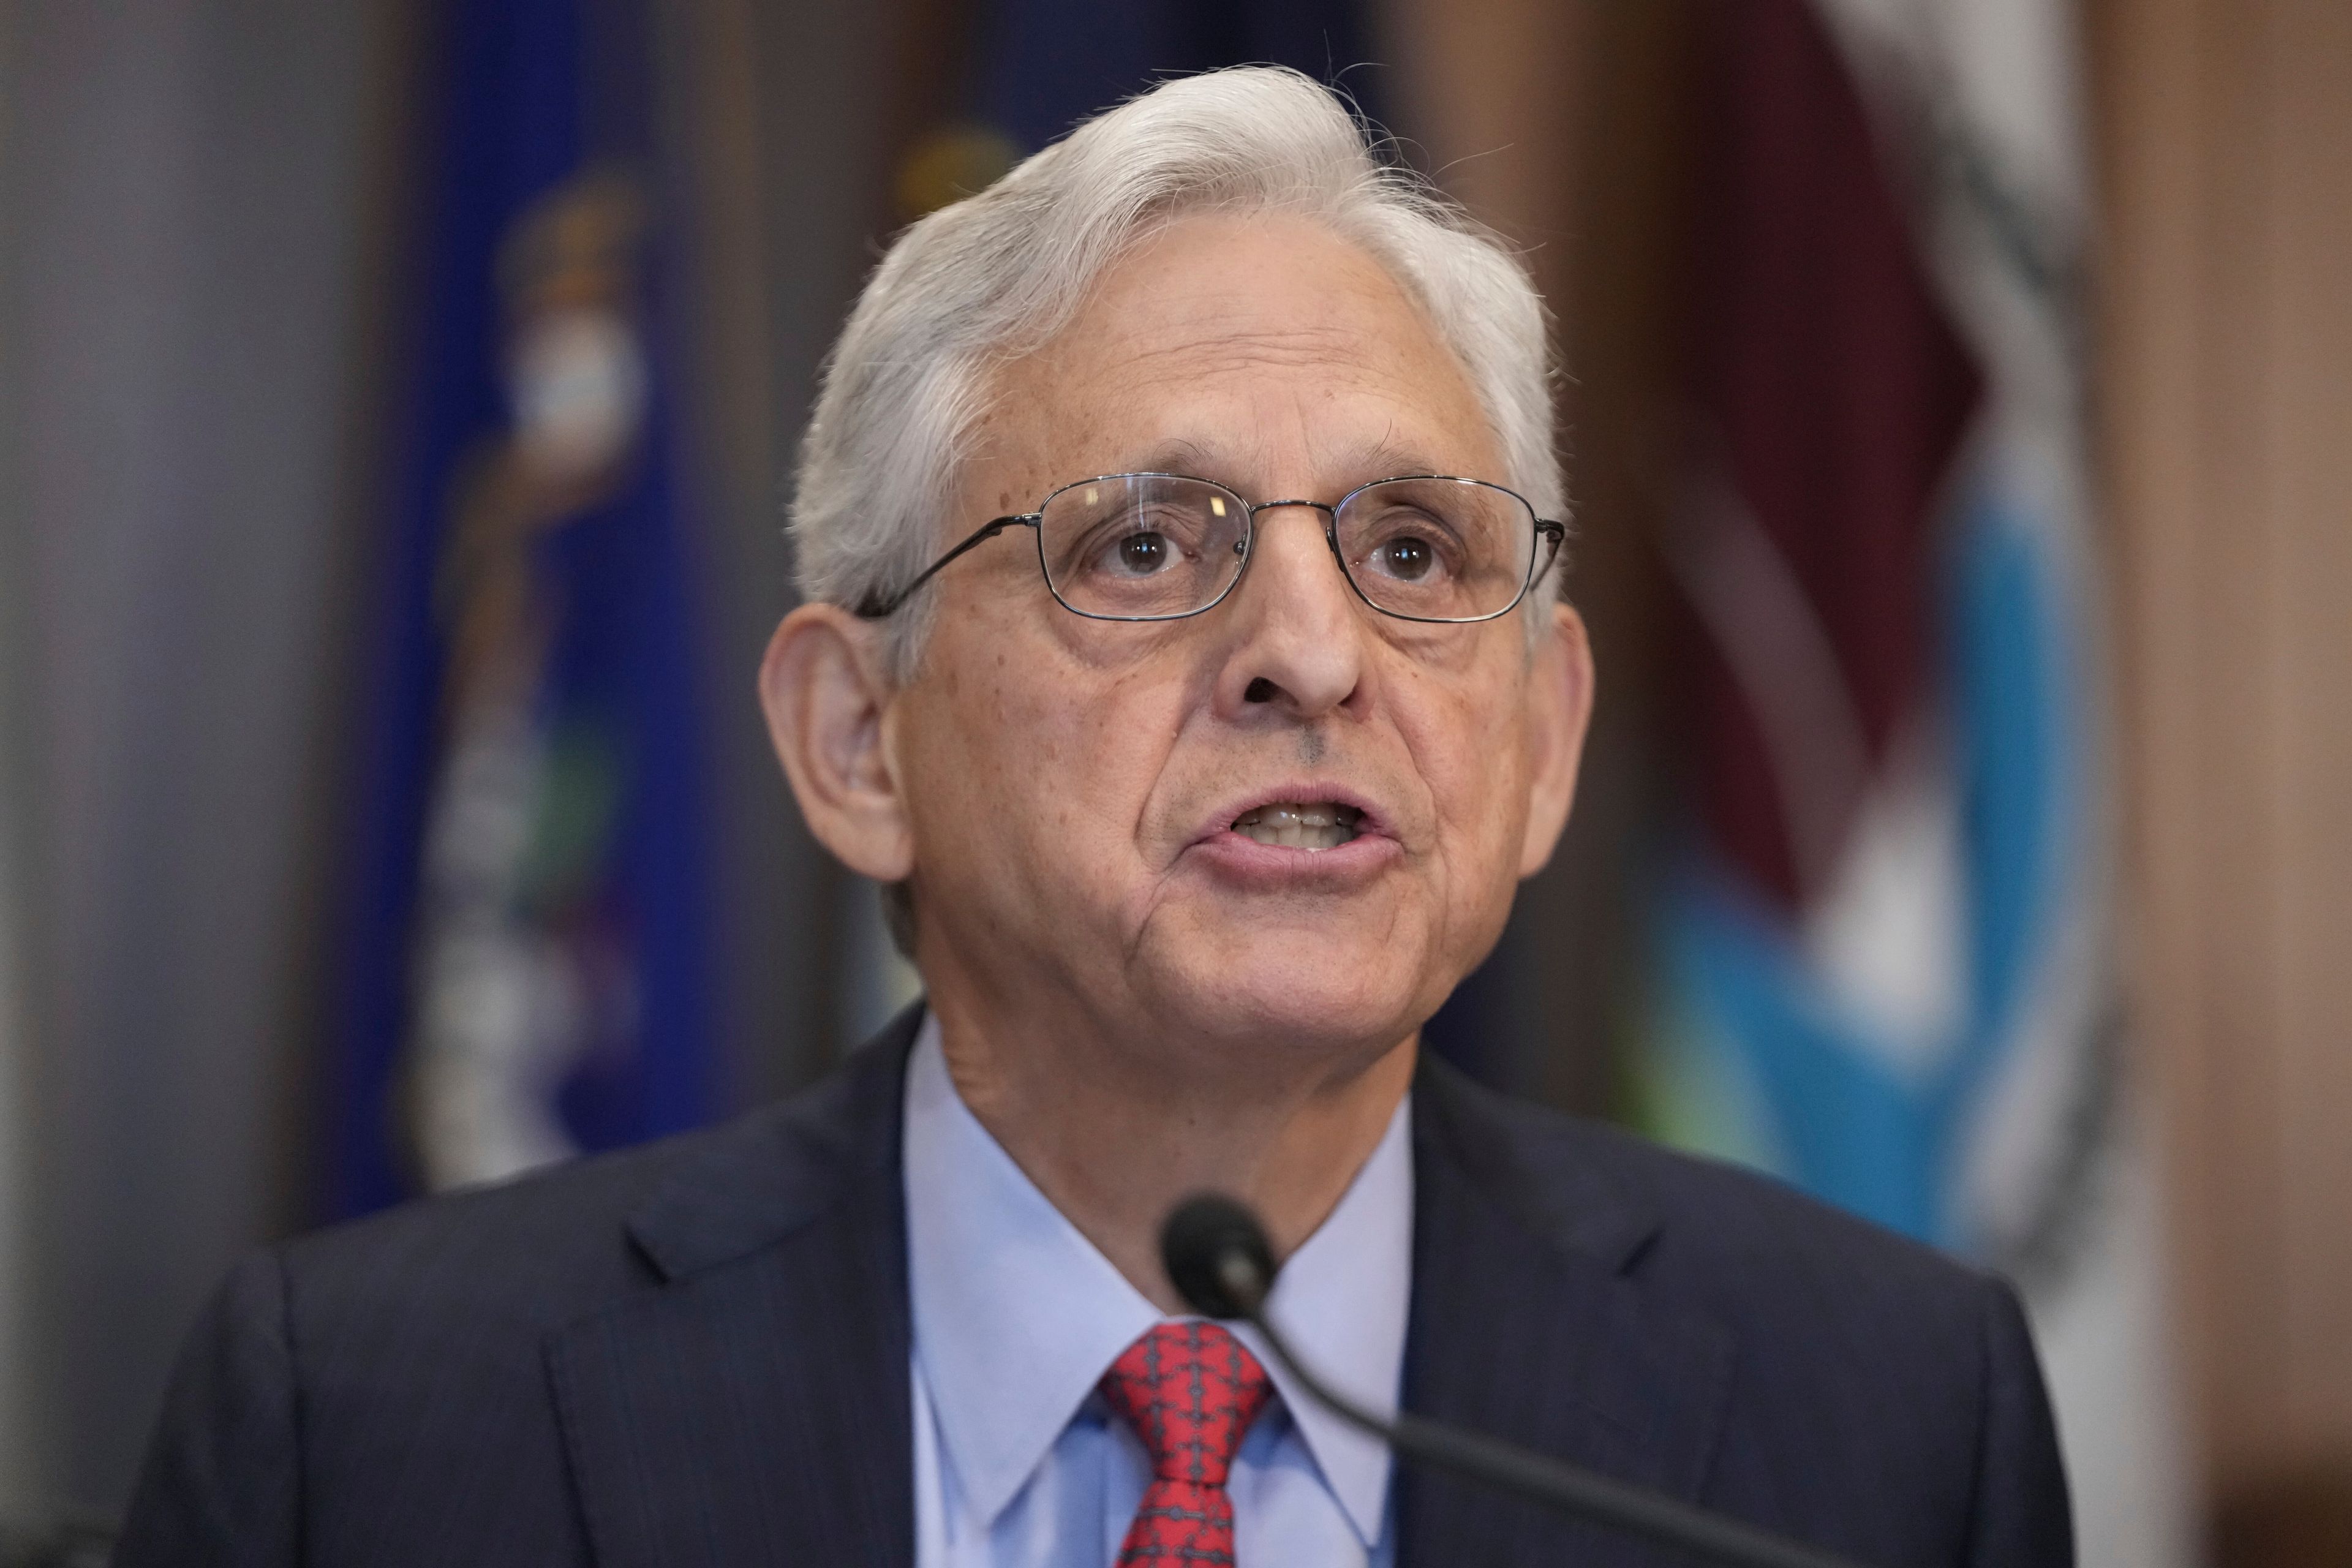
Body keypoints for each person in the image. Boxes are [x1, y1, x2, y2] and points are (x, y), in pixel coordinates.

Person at [118, 66, 2070, 1567]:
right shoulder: (368, 1435)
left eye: (1412, 547)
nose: (1310, 650)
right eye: (1144, 542)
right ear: (856, 740)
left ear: (1544, 743)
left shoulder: (1881, 1427)